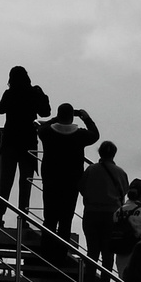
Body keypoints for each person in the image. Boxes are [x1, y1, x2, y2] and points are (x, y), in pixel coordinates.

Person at [35, 103, 100, 256]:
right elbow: (95, 134)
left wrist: (55, 118)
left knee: (49, 217)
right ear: (72, 117)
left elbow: (40, 128)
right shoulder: (80, 135)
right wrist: (86, 118)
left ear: (59, 115)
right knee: (66, 218)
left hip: (51, 180)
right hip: (72, 182)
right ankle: (61, 253)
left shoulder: (47, 133)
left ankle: (46, 251)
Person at [0, 66, 49, 228]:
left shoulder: (10, 94)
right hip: (28, 142)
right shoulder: (34, 93)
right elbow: (45, 112)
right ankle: (23, 219)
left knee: (5, 181)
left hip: (10, 141)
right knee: (25, 182)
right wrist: (40, 94)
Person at [81, 140, 132, 280]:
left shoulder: (91, 170)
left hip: (91, 212)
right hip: (112, 215)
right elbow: (125, 191)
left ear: (100, 153)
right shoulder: (121, 173)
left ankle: (89, 281)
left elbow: (82, 188)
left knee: (92, 249)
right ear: (114, 154)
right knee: (108, 251)